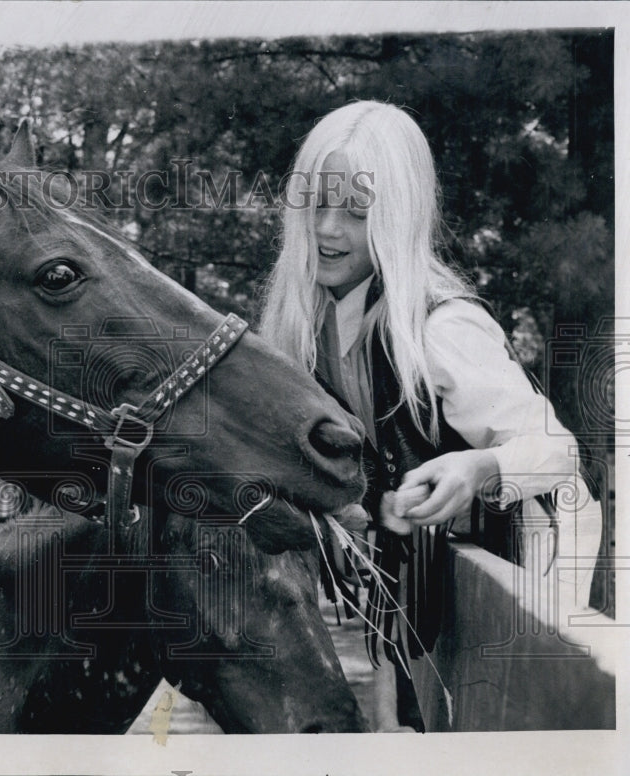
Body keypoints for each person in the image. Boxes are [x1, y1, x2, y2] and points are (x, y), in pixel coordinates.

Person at [259, 101, 602, 731]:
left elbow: (558, 452)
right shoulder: (310, 326)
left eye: (357, 213)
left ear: (397, 217)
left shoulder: (442, 326)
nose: (328, 230)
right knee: (414, 721)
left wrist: (480, 466)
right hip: (421, 571)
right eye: (318, 207)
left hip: (529, 566)